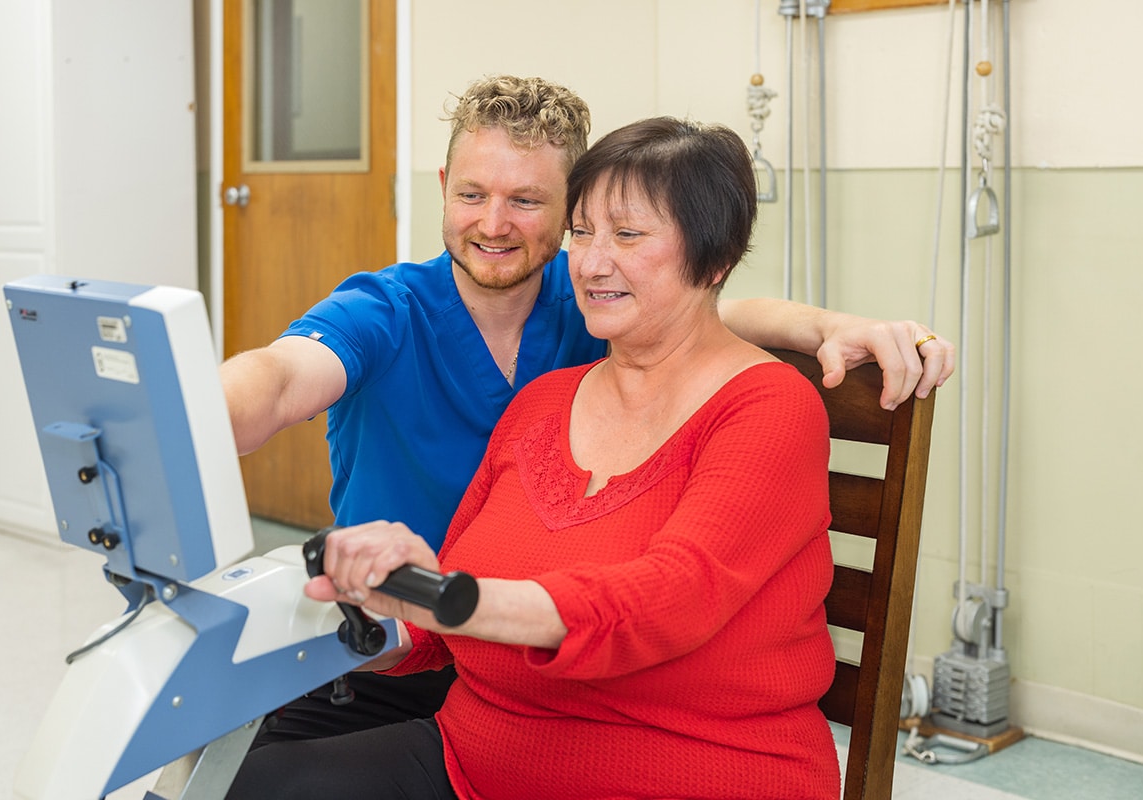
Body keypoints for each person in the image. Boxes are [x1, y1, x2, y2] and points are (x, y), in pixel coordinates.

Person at [219, 75, 952, 756]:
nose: (494, 224)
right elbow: (278, 381)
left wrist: (822, 325)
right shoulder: (386, 311)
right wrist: (180, 421)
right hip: (399, 644)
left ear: (571, 208)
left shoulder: (592, 311)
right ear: (444, 189)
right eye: (472, 194)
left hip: (545, 659)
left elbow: (710, 314)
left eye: (529, 202)